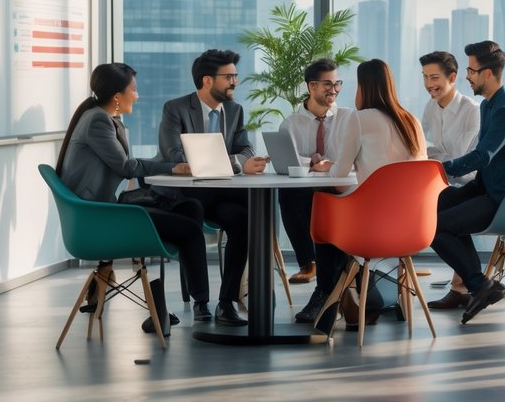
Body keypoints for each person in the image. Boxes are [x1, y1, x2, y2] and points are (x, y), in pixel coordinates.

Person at [56, 62, 212, 328]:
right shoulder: (97, 121)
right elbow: (127, 167)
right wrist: (171, 167)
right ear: (118, 96)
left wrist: (168, 165)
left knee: (191, 208)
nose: (138, 96)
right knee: (190, 230)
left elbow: (127, 164)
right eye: (134, 90)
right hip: (100, 217)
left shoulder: (106, 118)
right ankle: (201, 306)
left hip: (107, 209)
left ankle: (178, 303)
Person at [296, 58, 426, 331]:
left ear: (364, 87)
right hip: (413, 228)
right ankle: (355, 300)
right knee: (337, 213)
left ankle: (327, 296)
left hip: (372, 228)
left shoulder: (359, 118)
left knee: (324, 208)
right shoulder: (411, 120)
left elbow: (340, 172)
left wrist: (325, 166)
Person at [158, 49, 268, 327]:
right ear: (208, 80)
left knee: (245, 218)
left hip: (219, 194)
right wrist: (235, 162)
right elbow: (174, 155)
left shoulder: (234, 110)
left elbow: (246, 148)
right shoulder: (176, 108)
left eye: (235, 76)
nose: (235, 82)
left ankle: (227, 302)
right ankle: (201, 302)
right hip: (186, 192)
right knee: (192, 212)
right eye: (228, 77)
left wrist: (240, 161)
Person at [430, 40, 505, 325]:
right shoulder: (489, 105)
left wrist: (441, 168)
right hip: (487, 186)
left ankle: (478, 285)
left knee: (438, 228)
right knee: (434, 207)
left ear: (487, 73)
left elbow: (483, 156)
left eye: (471, 71)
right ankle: (474, 286)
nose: (467, 76)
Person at [417, 50, 483, 312]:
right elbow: (420, 147)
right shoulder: (430, 108)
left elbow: (462, 159)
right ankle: (466, 285)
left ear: (452, 77)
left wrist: (435, 156)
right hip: (442, 180)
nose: (428, 84)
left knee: (436, 216)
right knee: (418, 205)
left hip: (470, 184)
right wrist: (434, 156)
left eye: (434, 77)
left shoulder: (471, 110)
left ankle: (465, 286)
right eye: (424, 77)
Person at [280, 59, 353, 294]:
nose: (334, 90)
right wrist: (310, 163)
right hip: (305, 189)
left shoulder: (347, 118)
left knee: (324, 198)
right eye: (327, 84)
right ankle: (308, 263)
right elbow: (287, 162)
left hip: (338, 186)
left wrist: (329, 165)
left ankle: (336, 266)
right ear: (312, 86)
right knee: (288, 194)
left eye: (337, 83)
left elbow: (353, 157)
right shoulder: (291, 124)